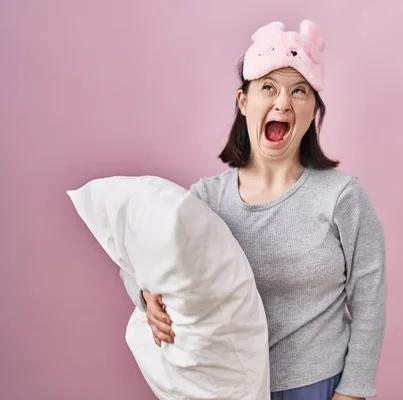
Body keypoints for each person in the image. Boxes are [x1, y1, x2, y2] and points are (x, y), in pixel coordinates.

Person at [120, 19, 387, 400]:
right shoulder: (207, 200)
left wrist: (353, 392)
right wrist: (146, 295)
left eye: (299, 91)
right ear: (243, 101)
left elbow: (370, 301)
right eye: (268, 88)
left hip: (316, 387)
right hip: (229, 388)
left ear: (314, 111)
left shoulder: (342, 197)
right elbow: (137, 260)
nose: (283, 102)